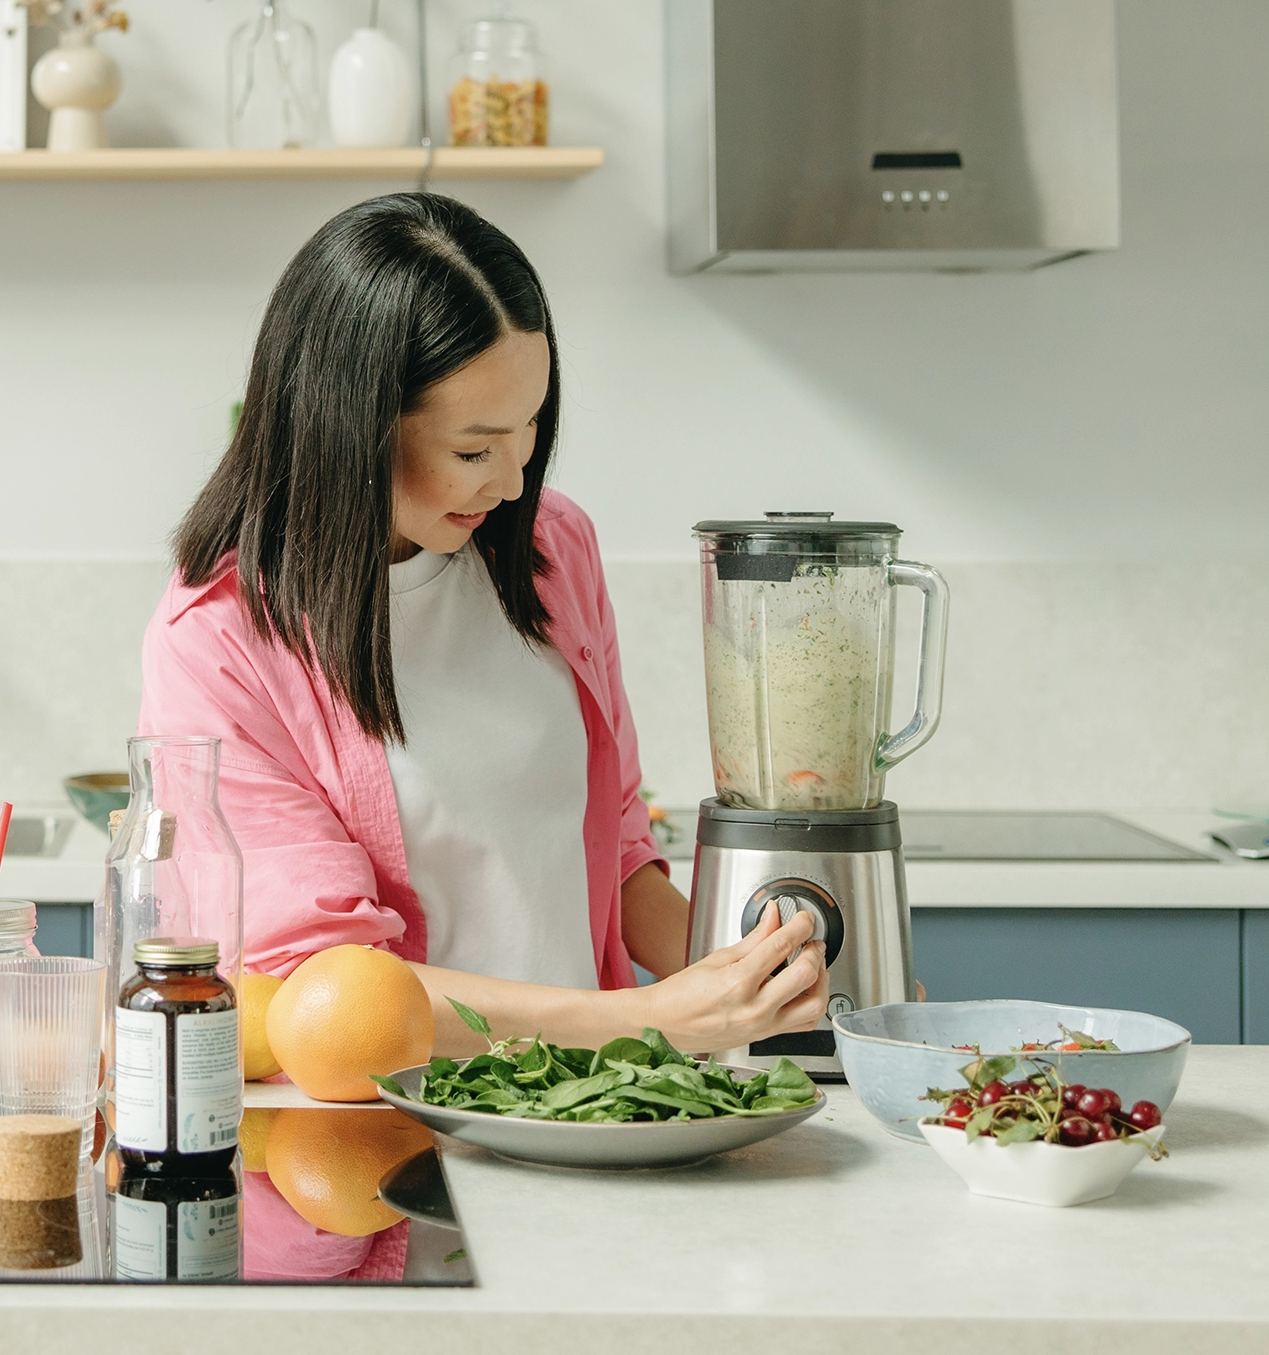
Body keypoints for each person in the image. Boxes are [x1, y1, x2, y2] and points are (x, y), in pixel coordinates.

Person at [138, 192, 826, 1055]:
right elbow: (331, 984)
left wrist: (767, 980)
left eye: (530, 430)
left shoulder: (552, 549)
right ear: (351, 429)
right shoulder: (221, 639)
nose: (510, 481)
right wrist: (652, 1021)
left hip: (597, 1108)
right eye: (473, 450)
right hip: (395, 1134)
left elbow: (614, 845)